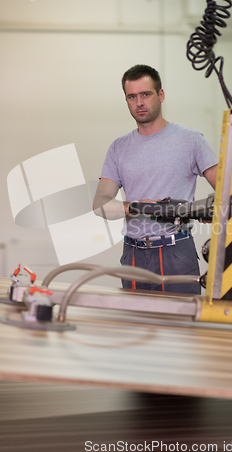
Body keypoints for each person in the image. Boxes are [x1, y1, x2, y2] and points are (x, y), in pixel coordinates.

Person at [93, 64, 218, 294]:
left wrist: (204, 210)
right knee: (135, 325)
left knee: (179, 327)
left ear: (160, 95)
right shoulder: (119, 148)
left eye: (146, 94)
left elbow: (228, 188)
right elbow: (100, 205)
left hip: (176, 252)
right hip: (133, 255)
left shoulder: (190, 140)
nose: (139, 102)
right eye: (132, 96)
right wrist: (136, 207)